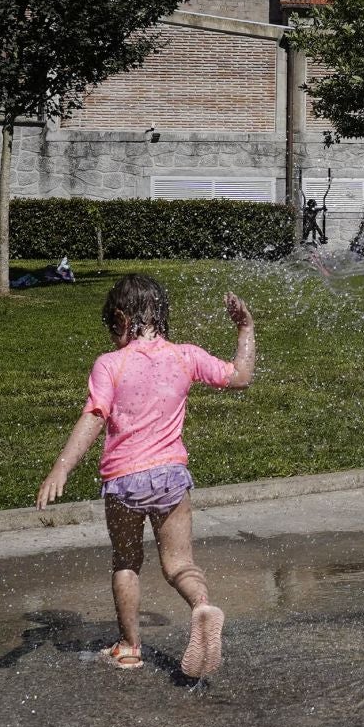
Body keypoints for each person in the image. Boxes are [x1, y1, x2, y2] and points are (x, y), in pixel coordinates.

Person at [36, 274, 259, 676]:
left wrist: (61, 467)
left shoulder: (110, 364)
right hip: (171, 477)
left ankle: (129, 647)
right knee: (179, 565)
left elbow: (94, 416)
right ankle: (202, 606)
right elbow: (240, 377)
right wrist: (245, 328)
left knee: (126, 562)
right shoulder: (185, 356)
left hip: (124, 482)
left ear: (122, 319)